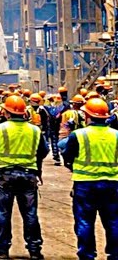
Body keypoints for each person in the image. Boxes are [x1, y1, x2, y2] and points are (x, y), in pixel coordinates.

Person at [0, 94, 48, 260]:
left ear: (6, 112)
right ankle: (34, 250)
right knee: (30, 214)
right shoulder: (35, 130)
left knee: (3, 213)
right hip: (28, 176)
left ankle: (2, 250)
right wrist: (36, 167)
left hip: (4, 176)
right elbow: (44, 151)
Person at [62, 97, 118, 260]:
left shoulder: (78, 135)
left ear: (88, 116)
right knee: (114, 221)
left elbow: (68, 157)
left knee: (85, 221)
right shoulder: (116, 135)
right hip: (113, 184)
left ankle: (87, 255)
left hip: (85, 185)